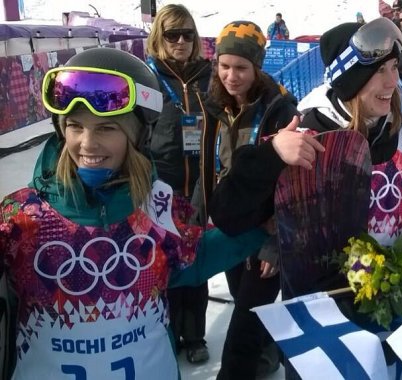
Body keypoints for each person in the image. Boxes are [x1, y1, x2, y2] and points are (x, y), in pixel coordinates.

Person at [0, 47, 267, 379]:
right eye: (74, 126)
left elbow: (193, 259)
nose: (87, 143)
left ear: (139, 136)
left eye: (107, 129)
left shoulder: (155, 204)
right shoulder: (20, 218)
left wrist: (263, 228)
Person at [289, 16, 402, 375]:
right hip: (325, 317)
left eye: (395, 68)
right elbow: (270, 223)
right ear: (350, 80)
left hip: (392, 306)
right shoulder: (307, 140)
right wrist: (268, 159)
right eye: (379, 71)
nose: (394, 82)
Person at [199, 21, 301, 379]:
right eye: (224, 66)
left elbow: (294, 183)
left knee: (242, 322)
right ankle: (267, 354)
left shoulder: (280, 111)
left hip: (263, 235)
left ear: (257, 68)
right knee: (247, 308)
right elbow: (209, 165)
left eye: (241, 68)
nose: (231, 76)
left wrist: (275, 242)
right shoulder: (216, 105)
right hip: (227, 226)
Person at [145, 3, 212, 364]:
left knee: (195, 262)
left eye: (188, 34)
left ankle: (195, 335)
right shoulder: (149, 76)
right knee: (162, 263)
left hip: (200, 181)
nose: (182, 41)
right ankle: (167, 332)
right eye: (173, 34)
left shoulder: (208, 74)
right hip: (160, 183)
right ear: (160, 37)